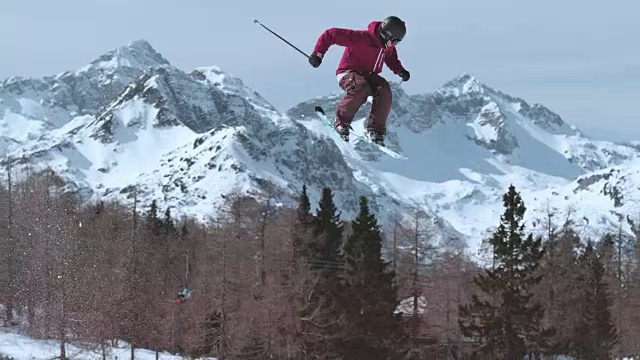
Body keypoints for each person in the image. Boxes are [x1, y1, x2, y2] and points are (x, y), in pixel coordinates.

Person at [308, 16, 410, 147]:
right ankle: (341, 121)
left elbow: (391, 59)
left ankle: (375, 131)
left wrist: (401, 71)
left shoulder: (387, 48)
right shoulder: (361, 38)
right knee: (361, 87)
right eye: (394, 42)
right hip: (348, 72)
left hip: (369, 76)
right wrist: (318, 54)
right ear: (386, 35)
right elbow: (331, 34)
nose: (394, 45)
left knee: (384, 89)